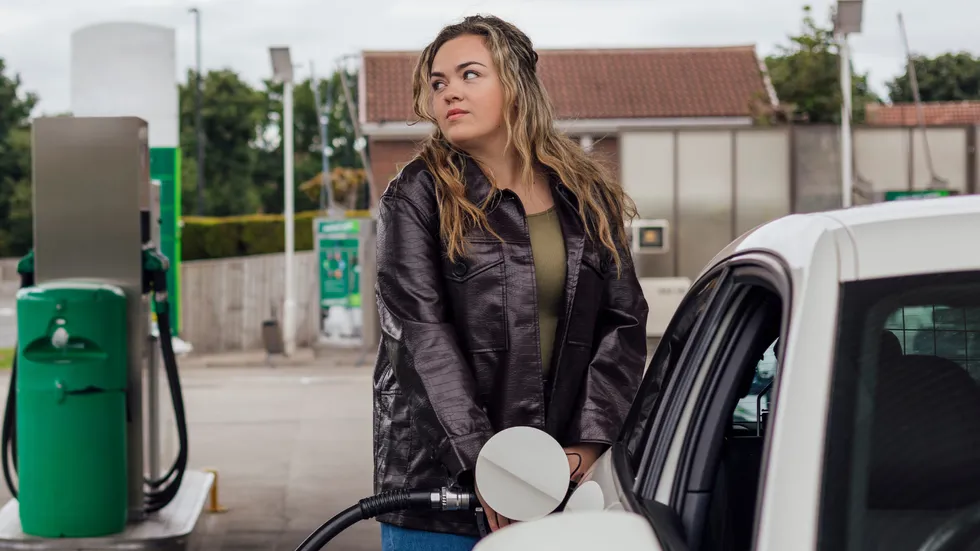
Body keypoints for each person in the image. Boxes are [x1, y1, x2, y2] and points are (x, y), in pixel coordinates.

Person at [373, 14, 650, 551]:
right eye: (438, 82)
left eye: (469, 74)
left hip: (557, 483)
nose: (450, 91)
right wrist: (490, 465)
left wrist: (587, 444)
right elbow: (422, 337)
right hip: (443, 494)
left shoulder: (587, 195)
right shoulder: (416, 195)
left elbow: (623, 322)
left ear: (515, 84)